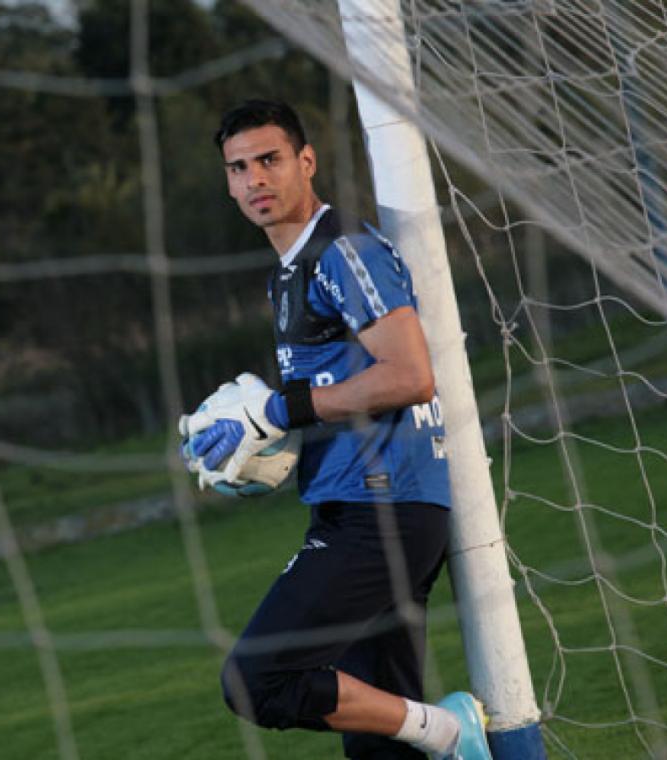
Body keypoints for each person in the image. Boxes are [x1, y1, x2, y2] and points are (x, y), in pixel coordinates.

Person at [179, 100, 494, 759]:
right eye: (238, 168)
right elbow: (335, 394)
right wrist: (261, 450)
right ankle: (435, 735)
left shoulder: (342, 250)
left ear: (306, 162)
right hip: (357, 509)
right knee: (381, 748)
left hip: (385, 510)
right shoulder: (287, 273)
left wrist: (278, 412)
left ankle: (449, 730)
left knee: (257, 679)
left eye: (269, 160)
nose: (255, 179)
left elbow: (409, 376)